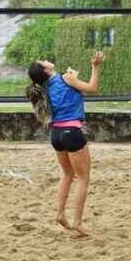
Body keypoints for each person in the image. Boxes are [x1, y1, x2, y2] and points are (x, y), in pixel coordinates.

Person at [26, 51, 104, 238]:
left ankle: (61, 213)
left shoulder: (44, 87)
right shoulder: (66, 77)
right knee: (83, 178)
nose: (47, 59)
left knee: (67, 174)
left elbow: (65, 92)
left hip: (56, 134)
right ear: (45, 68)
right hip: (71, 132)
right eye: (43, 60)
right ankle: (77, 223)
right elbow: (92, 88)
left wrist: (72, 80)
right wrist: (95, 66)